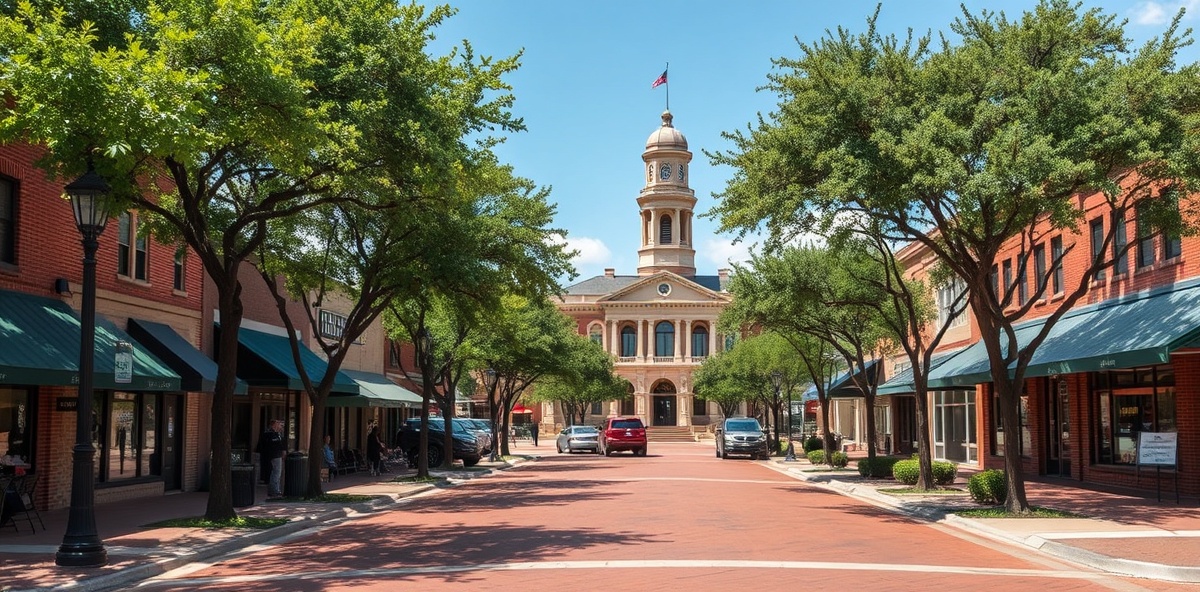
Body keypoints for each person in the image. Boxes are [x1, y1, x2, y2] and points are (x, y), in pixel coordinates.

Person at [258, 419, 286, 498]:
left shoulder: (277, 434)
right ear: (273, 425)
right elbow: (275, 444)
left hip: (275, 455)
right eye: (278, 424)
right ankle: (274, 490)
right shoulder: (271, 434)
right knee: (276, 472)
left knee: (276, 472)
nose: (279, 426)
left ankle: (274, 489)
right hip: (275, 455)